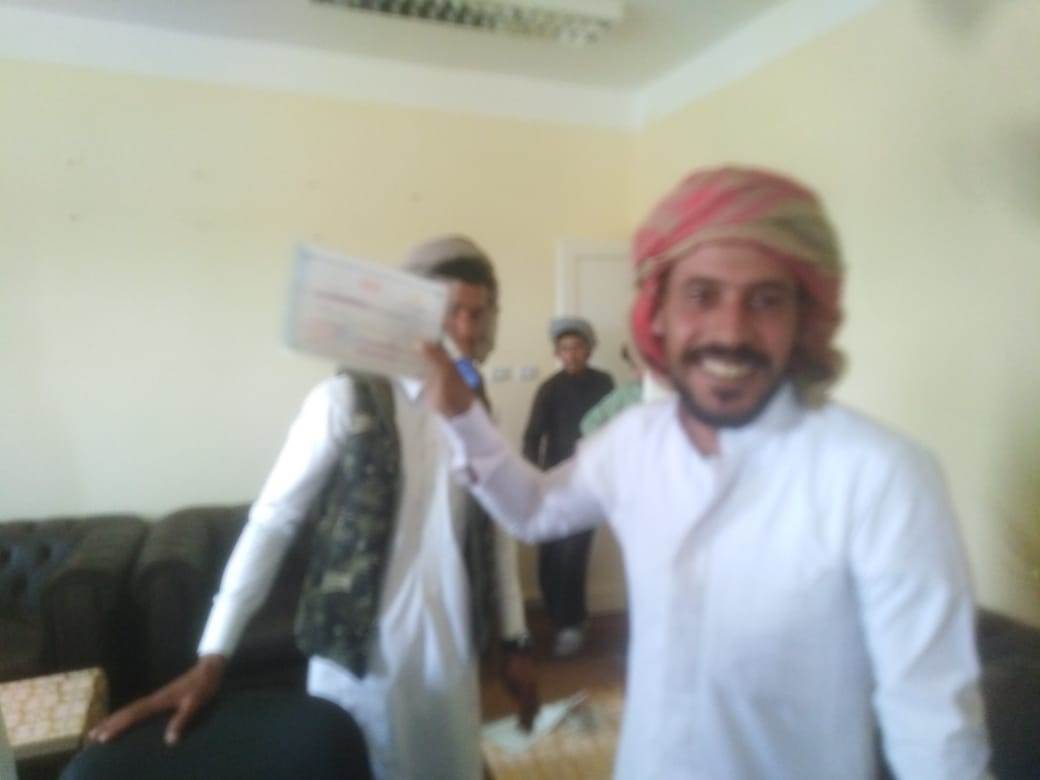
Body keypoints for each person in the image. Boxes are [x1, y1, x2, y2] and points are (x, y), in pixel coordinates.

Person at [422, 168, 990, 779]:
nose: (730, 331)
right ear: (658, 313)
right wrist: (462, 415)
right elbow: (534, 510)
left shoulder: (882, 477)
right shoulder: (635, 442)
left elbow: (936, 730)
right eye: (700, 295)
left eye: (765, 300)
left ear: (804, 316)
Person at [90, 236, 539, 780]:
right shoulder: (343, 402)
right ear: (413, 315)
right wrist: (214, 655)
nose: (465, 330)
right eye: (452, 311)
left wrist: (514, 638)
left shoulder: (478, 415)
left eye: (478, 313)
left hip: (451, 654)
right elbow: (272, 523)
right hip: (361, 661)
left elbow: (495, 532)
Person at [521, 317, 614, 655]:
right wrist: (533, 480)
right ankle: (560, 616)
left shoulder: (604, 383)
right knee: (551, 554)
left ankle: (571, 623)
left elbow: (615, 427)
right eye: (564, 349)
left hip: (589, 480)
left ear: (589, 349)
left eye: (577, 348)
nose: (571, 355)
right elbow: (532, 437)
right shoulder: (549, 389)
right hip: (554, 481)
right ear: (557, 353)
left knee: (575, 552)